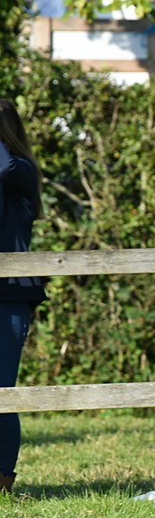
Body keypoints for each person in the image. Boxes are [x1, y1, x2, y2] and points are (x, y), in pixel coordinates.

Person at [0, 99, 46, 494]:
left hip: (9, 296)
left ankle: (2, 478)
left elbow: (3, 166)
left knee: (1, 389)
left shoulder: (19, 169)